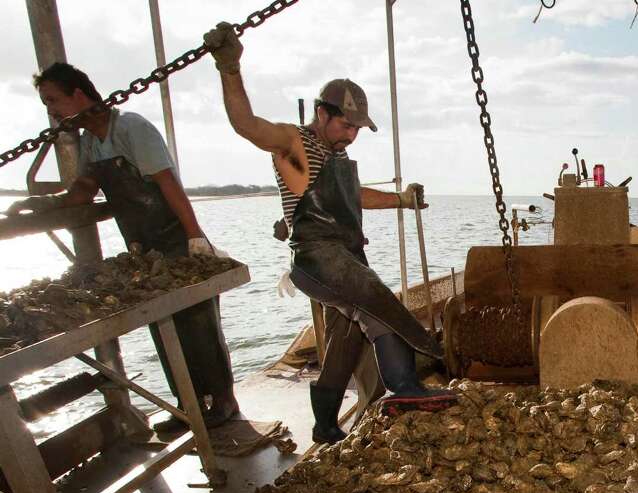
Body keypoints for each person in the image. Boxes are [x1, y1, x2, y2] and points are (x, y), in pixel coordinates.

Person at [203, 22, 455, 444]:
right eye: (345, 126)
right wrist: (230, 68)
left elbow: (354, 197)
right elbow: (246, 124)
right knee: (379, 306)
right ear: (322, 114)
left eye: (358, 130)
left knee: (347, 338)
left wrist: (403, 199)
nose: (352, 136)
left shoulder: (336, 155)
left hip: (347, 256)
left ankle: (324, 425)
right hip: (318, 259)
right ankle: (404, 388)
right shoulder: (293, 143)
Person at [4, 63, 240, 430]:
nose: (51, 111)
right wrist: (44, 204)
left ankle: (224, 403)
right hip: (142, 249)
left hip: (176, 239)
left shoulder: (131, 128)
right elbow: (82, 192)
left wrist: (194, 236)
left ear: (78, 95)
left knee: (199, 325)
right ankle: (188, 406)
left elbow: (167, 184)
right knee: (163, 330)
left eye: (53, 100)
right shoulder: (91, 143)